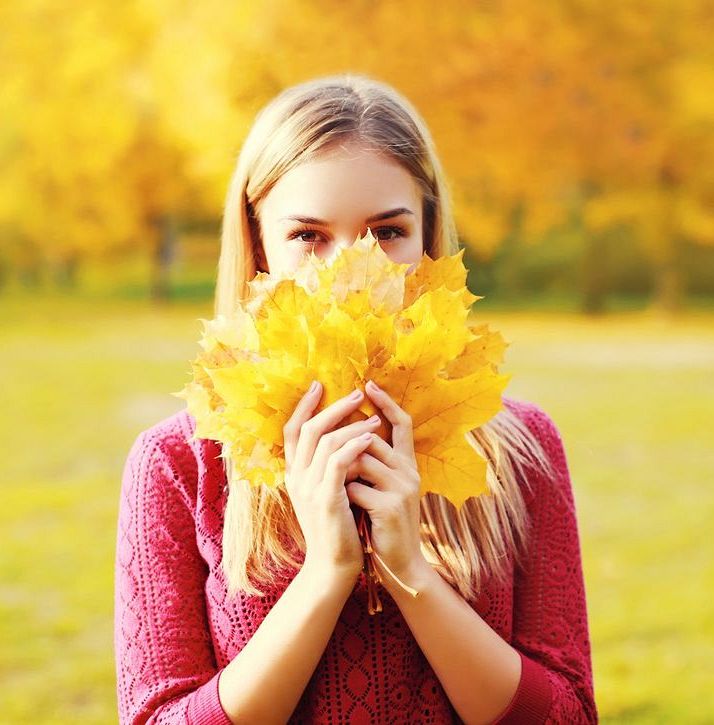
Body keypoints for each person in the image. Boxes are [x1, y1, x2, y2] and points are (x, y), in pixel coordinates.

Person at [114, 73, 598, 724]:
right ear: (259, 246)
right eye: (309, 237)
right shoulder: (178, 462)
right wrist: (327, 570)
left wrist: (410, 572)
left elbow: (567, 714)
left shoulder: (519, 447)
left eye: (387, 232)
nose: (351, 271)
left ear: (427, 236)